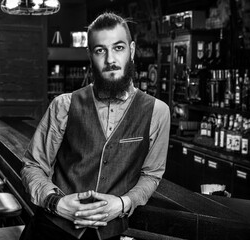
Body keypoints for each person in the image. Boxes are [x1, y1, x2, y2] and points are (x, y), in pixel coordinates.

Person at [19, 12, 170, 240]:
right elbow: (32, 166)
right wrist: (57, 203)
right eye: (100, 50)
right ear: (90, 55)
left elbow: (151, 175)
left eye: (118, 48)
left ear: (132, 49)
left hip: (108, 235)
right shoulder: (64, 105)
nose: (110, 59)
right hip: (50, 229)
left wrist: (122, 203)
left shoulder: (157, 112)